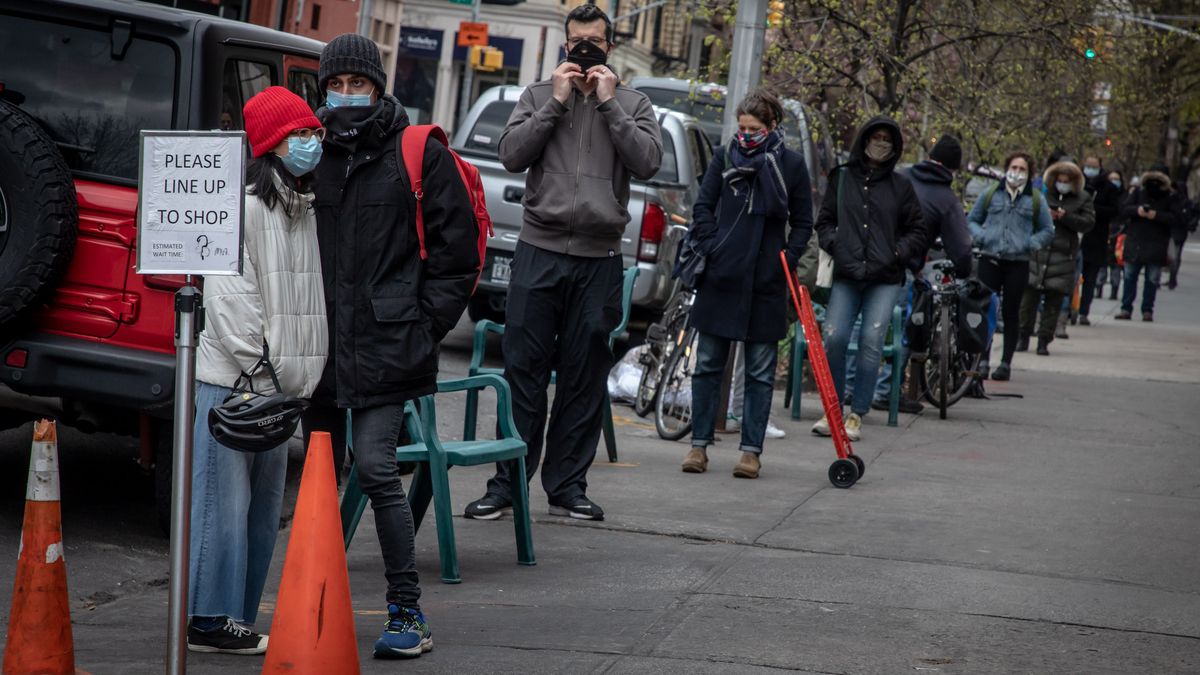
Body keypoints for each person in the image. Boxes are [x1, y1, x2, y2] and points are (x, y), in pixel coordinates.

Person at [310, 33, 480, 659]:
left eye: (359, 85)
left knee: (379, 468)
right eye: (337, 85)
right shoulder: (308, 152)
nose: (347, 96)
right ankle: (313, 599)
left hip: (388, 345)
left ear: (379, 88)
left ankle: (407, 611)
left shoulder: (416, 154)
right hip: (321, 345)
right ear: (322, 89)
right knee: (317, 479)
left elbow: (458, 258)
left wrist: (420, 327)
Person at [464, 4, 662, 521]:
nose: (585, 52)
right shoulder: (534, 96)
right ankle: (507, 483)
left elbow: (647, 162)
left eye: (594, 44)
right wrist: (554, 102)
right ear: (564, 46)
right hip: (539, 251)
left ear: (610, 49)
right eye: (576, 43)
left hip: (599, 259)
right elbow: (510, 155)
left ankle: (567, 487)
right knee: (522, 371)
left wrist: (609, 103)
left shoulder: (633, 103)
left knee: (584, 376)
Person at [188, 86, 328, 655]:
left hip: (279, 390)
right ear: (273, 145)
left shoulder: (302, 211)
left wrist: (295, 380)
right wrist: (265, 373)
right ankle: (207, 619)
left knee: (263, 513)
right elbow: (231, 303)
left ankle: (237, 619)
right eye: (301, 135)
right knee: (225, 509)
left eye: (314, 134)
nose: (312, 144)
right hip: (237, 385)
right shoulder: (243, 208)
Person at [679, 90, 812, 478]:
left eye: (754, 129)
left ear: (772, 128)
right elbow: (702, 206)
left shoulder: (791, 165)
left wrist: (787, 256)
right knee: (707, 366)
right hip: (721, 277)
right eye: (741, 127)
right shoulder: (724, 157)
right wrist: (710, 244)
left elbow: (804, 221)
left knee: (759, 372)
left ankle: (751, 452)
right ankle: (698, 446)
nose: (746, 135)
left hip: (765, 282)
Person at [812, 116, 928, 441]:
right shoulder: (842, 178)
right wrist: (839, 246)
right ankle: (832, 409)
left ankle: (856, 414)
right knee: (833, 337)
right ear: (863, 140)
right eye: (875, 137)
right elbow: (823, 222)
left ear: (894, 146)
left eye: (886, 139)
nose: (880, 143)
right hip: (847, 274)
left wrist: (895, 253)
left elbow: (917, 230)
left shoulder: (902, 187)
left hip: (884, 278)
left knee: (872, 341)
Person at [870, 133, 972, 414]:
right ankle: (885, 390)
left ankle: (853, 389)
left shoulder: (898, 177)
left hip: (866, 260)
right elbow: (961, 249)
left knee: (866, 325)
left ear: (929, 157)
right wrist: (965, 271)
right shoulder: (946, 199)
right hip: (902, 267)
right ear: (953, 169)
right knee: (901, 329)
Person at [967, 152, 1053, 381]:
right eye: (1013, 167)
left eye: (1022, 169)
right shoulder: (991, 194)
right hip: (990, 258)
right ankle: (982, 360)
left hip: (1018, 263)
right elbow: (972, 220)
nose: (1016, 172)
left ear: (1029, 173)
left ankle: (1005, 363)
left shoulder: (1035, 199)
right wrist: (981, 236)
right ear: (1006, 168)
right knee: (985, 310)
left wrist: (1030, 244)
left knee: (1011, 313)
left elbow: (1047, 230)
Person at [1018, 160, 1094, 356]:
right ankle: (1023, 336)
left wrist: (1065, 216)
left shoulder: (1083, 198)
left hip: (1063, 256)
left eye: (1067, 181)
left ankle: (1044, 340)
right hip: (1037, 253)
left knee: (1054, 303)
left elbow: (1087, 223)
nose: (1063, 183)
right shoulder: (1041, 195)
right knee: (1028, 301)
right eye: (1059, 180)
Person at [1116, 166, 1177, 321]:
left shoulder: (1169, 196)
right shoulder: (1138, 193)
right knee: (1130, 277)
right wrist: (1138, 211)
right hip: (1136, 241)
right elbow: (1124, 209)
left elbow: (1175, 218)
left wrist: (1156, 215)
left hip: (1157, 244)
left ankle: (1147, 310)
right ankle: (1126, 308)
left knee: (1152, 279)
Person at [1078, 156, 1119, 325]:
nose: (1090, 169)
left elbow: (1114, 210)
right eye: (1087, 166)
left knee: (1090, 278)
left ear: (1100, 168)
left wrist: (1092, 210)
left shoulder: (1108, 188)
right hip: (1075, 237)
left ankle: (1083, 311)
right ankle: (1067, 310)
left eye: (1093, 167)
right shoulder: (1077, 182)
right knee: (1070, 277)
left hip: (1096, 239)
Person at [1098, 169, 1127, 301]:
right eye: (1111, 179)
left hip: (1119, 234)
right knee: (1102, 264)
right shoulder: (1101, 194)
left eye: (1117, 179)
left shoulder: (1124, 197)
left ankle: (1115, 289)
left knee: (1116, 265)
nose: (1114, 182)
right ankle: (1098, 287)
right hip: (1103, 233)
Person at [1166, 178, 1197, 290]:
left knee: (1174, 255)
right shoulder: (1187, 202)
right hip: (1180, 232)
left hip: (1175, 231)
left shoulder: (1177, 201)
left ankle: (1172, 279)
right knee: (1176, 255)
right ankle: (1172, 279)